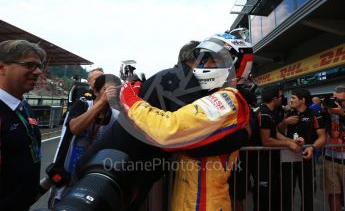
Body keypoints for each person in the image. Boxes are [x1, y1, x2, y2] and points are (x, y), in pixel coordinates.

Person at [71, 32, 253, 211]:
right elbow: (182, 139)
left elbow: (182, 137)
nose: (206, 65)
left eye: (214, 60)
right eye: (205, 59)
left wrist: (130, 98)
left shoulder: (181, 80)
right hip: (114, 172)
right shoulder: (183, 80)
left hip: (119, 169)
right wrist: (243, 134)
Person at [49, 74, 121, 208]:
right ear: (95, 91)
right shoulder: (82, 105)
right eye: (106, 89)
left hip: (93, 174)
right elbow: (75, 128)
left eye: (114, 90)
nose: (110, 94)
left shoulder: (116, 116)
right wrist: (100, 103)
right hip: (68, 171)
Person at [0, 40, 46, 210]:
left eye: (39, 66)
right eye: (29, 65)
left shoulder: (23, 105)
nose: (38, 72)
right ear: (2, 67)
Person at [278, 88, 326, 211]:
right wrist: (285, 122)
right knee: (286, 191)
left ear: (303, 100)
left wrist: (312, 147)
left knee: (307, 191)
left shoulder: (315, 115)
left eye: (293, 98)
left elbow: (323, 138)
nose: (291, 100)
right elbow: (278, 132)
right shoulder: (289, 114)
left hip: (306, 157)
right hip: (288, 157)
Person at [324, 86, 345, 211]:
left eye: (341, 100)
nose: (336, 102)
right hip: (330, 158)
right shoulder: (328, 112)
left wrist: (342, 114)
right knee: (333, 194)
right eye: (335, 99)